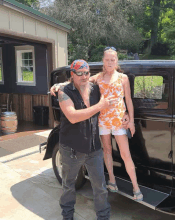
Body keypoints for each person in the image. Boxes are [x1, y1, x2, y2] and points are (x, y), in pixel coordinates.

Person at [51, 48, 143, 201]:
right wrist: (60, 85)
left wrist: (131, 120)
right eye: (107, 59)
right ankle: (112, 181)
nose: (110, 62)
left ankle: (136, 186)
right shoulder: (98, 77)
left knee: (125, 154)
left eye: (113, 59)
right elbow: (79, 79)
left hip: (119, 121)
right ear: (103, 60)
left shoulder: (123, 78)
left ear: (116, 61)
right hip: (103, 120)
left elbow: (129, 100)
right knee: (106, 150)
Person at [57, 59, 115, 220]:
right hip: (72, 148)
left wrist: (125, 116)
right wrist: (99, 107)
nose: (83, 76)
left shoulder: (95, 89)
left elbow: (116, 96)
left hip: (94, 147)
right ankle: (67, 216)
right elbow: (73, 117)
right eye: (79, 73)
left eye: (86, 73)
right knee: (68, 185)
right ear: (72, 75)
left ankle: (103, 217)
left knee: (100, 186)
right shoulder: (64, 92)